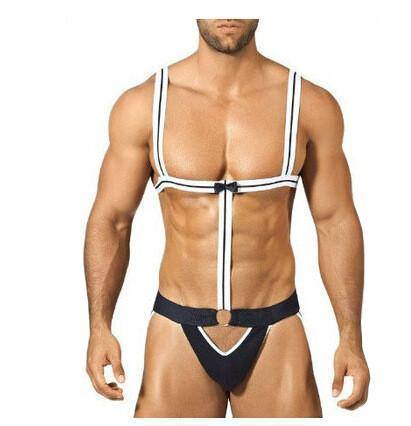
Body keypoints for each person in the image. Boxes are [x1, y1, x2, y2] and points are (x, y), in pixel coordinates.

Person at [84, 19, 370, 418]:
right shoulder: (144, 105)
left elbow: (335, 222)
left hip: (275, 329)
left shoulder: (308, 104)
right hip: (177, 328)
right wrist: (99, 328)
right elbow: (112, 220)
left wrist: (351, 338)